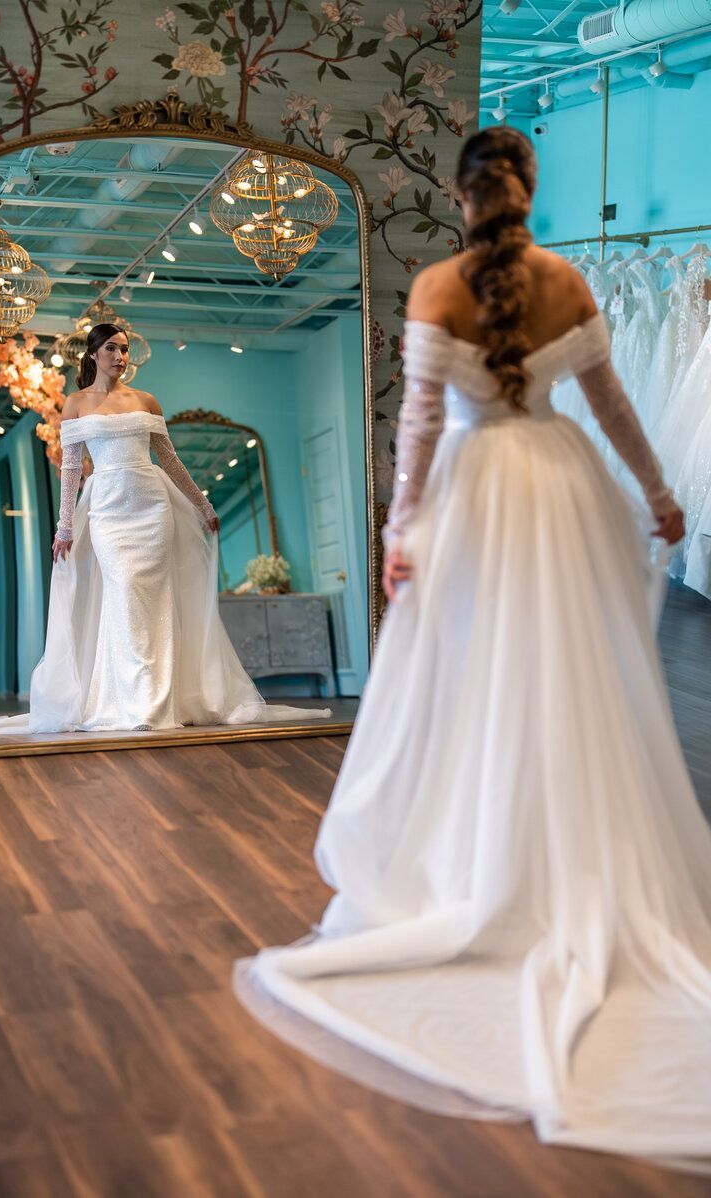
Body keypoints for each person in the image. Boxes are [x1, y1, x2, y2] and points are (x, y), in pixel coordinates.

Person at [236, 128, 711, 1172]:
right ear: (528, 189)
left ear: (460, 196)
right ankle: (550, 851)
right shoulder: (568, 279)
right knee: (564, 686)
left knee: (463, 688)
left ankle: (472, 860)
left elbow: (414, 424)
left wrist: (401, 527)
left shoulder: (436, 287)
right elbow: (614, 408)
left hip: (471, 493)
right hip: (557, 484)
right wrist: (662, 494)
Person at [25, 322, 330, 733]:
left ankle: (159, 700)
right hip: (108, 514)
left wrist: (202, 504)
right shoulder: (76, 403)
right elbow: (72, 469)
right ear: (94, 354)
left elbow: (169, 460)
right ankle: (130, 702)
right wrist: (65, 527)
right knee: (125, 590)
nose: (120, 357)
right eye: (112, 349)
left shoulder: (146, 400)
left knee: (157, 600)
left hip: (152, 509)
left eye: (125, 350)